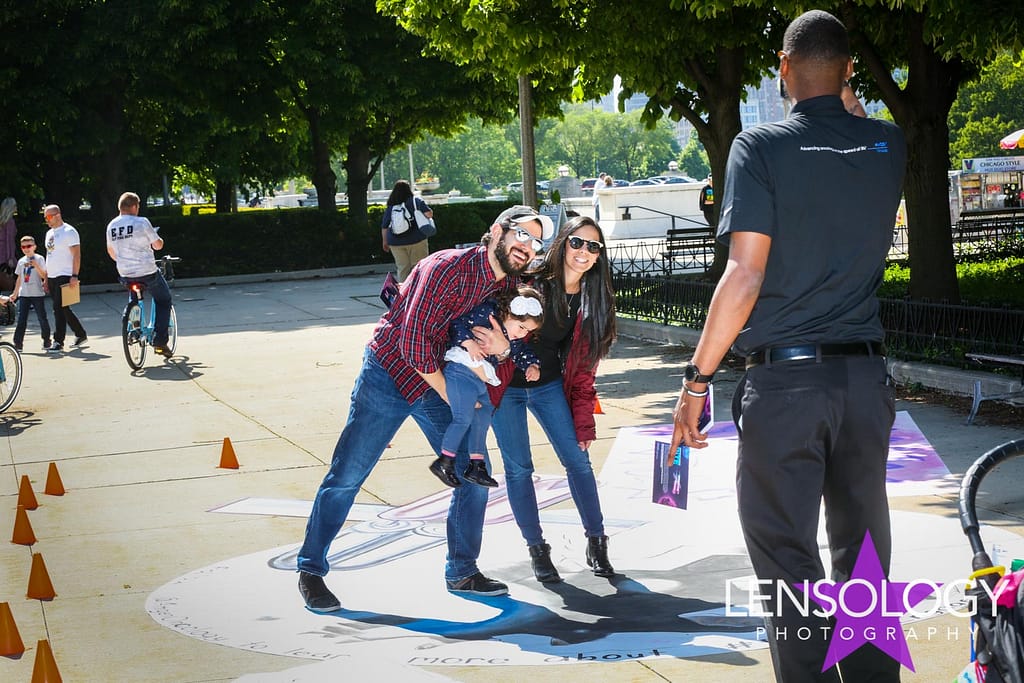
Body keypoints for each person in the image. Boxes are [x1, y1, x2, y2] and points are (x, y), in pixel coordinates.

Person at [668, 10, 906, 682]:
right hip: (865, 382)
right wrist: (846, 95)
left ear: (782, 66)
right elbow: (855, 123)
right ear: (850, 69)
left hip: (786, 386)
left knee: (784, 555)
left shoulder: (759, 147)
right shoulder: (889, 146)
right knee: (864, 560)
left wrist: (696, 380)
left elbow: (744, 275)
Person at [297, 205, 554, 613]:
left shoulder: (511, 292)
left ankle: (462, 570)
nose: (527, 246)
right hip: (390, 373)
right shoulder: (445, 267)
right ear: (496, 230)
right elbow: (412, 345)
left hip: (445, 380)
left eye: (536, 241)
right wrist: (458, 402)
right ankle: (311, 569)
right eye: (521, 234)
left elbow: (504, 351)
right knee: (348, 474)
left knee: (474, 472)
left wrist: (505, 349)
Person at [487, 215, 618, 584]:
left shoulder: (595, 301)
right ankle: (537, 549)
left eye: (593, 247)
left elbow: (583, 371)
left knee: (578, 460)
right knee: (519, 469)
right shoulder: (527, 281)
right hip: (505, 387)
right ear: (563, 243)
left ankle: (597, 541)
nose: (583, 252)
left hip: (550, 388)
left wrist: (584, 420)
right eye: (577, 242)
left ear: (598, 256)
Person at [429, 286, 544, 489]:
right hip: (461, 370)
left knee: (484, 415)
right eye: (522, 327)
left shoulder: (511, 338)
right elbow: (457, 323)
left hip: (479, 378)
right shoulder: (486, 314)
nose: (523, 334)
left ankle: (476, 465)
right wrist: (468, 342)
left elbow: (521, 352)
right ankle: (445, 461)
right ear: (508, 313)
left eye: (528, 331)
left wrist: (532, 365)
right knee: (463, 417)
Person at [106, 192, 173, 355]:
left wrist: (123, 261)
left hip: (125, 272)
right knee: (163, 299)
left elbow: (111, 251)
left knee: (134, 296)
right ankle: (160, 341)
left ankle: (133, 329)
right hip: (146, 271)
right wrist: (159, 241)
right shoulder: (142, 222)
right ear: (135, 206)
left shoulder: (111, 225)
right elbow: (157, 245)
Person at [43, 204, 88, 352]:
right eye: (45, 217)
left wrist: (74, 275)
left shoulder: (69, 232)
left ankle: (58, 341)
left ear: (57, 215)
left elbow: (76, 254)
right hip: (52, 275)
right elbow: (49, 255)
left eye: (48, 217)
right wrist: (46, 278)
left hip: (65, 274)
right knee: (63, 308)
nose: (46, 220)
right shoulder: (49, 233)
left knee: (58, 308)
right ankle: (80, 334)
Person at [381, 180, 433, 283]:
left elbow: (384, 226)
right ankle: (419, 292)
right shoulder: (415, 201)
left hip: (395, 243)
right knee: (419, 266)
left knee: (402, 268)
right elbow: (429, 214)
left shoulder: (391, 206)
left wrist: (385, 241)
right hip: (417, 240)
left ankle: (404, 294)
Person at [9, 235, 51, 351]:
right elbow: (19, 278)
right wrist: (15, 293)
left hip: (37, 293)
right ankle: (18, 343)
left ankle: (46, 340)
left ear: (34, 247)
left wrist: (36, 265)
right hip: (24, 294)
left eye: (29, 246)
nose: (26, 249)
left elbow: (44, 275)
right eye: (23, 247)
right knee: (22, 319)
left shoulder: (40, 259)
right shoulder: (21, 261)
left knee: (42, 318)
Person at [0, 198, 18, 270]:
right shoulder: (10, 222)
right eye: (15, 206)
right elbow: (9, 240)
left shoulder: (2, 221)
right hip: (5, 257)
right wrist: (10, 258)